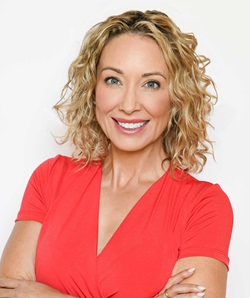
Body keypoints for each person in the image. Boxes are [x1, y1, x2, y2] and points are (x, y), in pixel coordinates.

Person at [0, 9, 233, 298]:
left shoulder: (203, 206)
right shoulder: (50, 179)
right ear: (93, 90)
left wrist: (46, 295)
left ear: (176, 98)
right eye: (113, 80)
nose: (129, 104)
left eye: (151, 83)